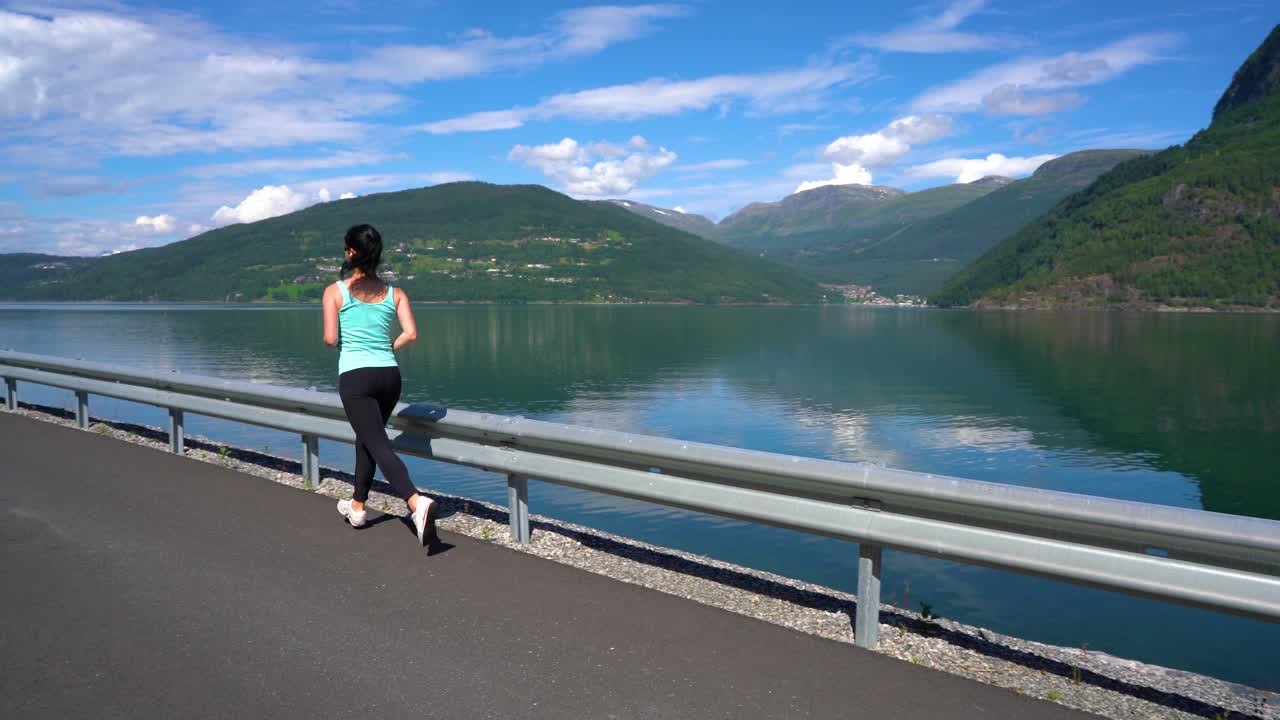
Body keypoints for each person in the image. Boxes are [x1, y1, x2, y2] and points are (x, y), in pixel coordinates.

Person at [322, 224, 437, 546]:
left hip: (356, 376)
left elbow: (331, 339)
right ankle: (357, 507)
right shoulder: (394, 293)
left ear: (349, 252)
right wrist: (386, 349)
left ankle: (416, 502)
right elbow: (411, 334)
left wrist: (347, 342)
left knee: (377, 442)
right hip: (389, 375)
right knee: (369, 438)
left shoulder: (335, 291)